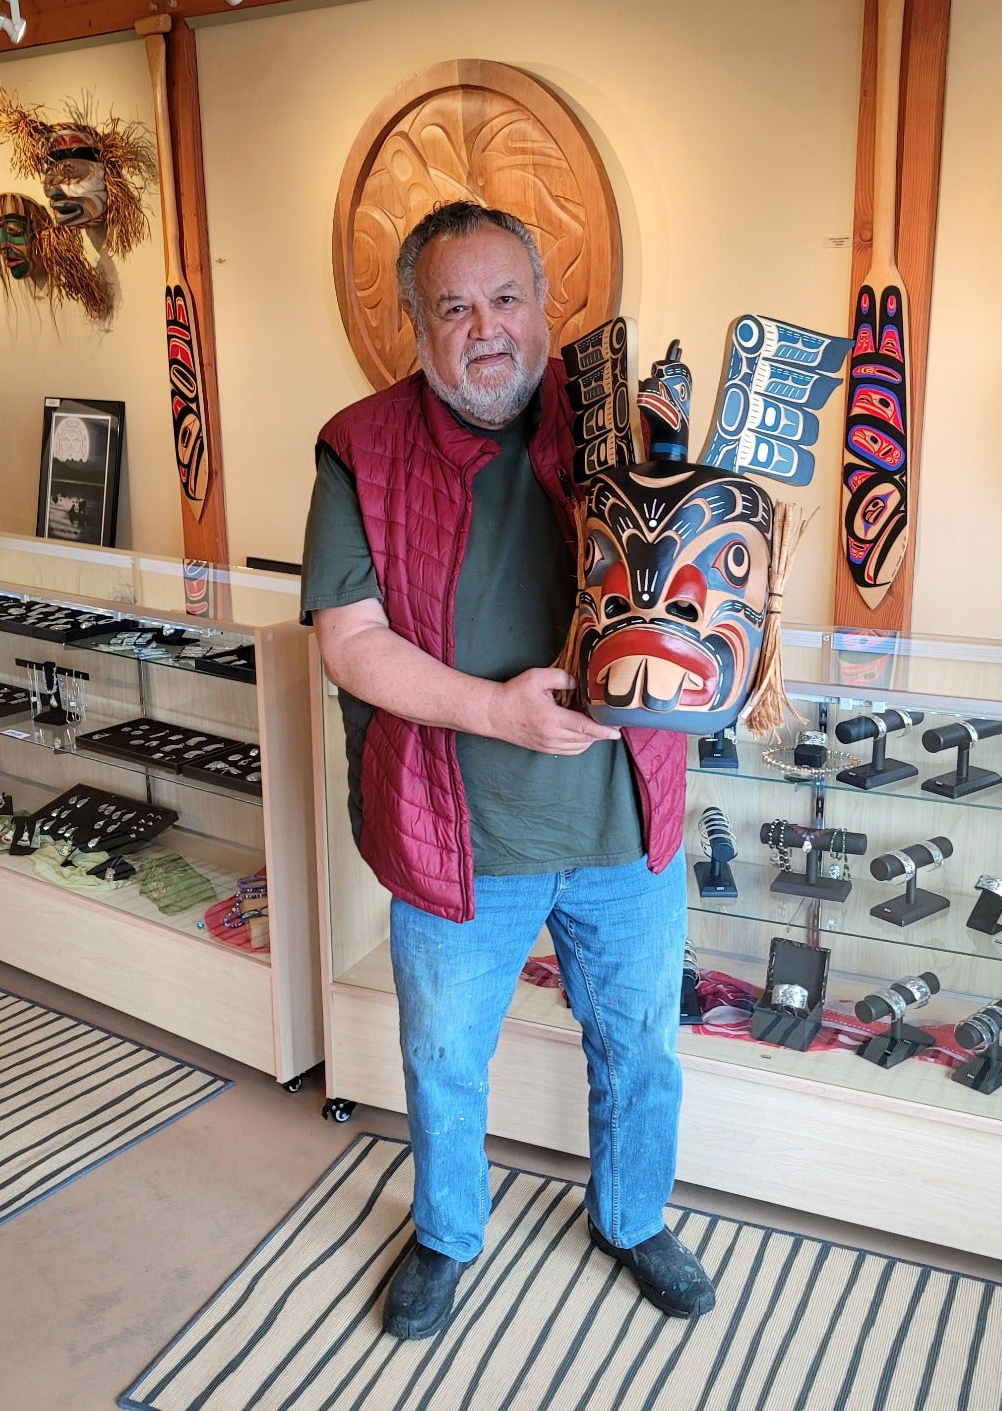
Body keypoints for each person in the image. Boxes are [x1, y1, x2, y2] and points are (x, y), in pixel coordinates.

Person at [301, 200, 714, 1340]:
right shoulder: (361, 446)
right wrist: (495, 710)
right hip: (460, 835)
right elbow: (350, 642)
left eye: (505, 298)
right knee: (443, 1056)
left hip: (624, 823)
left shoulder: (622, 423)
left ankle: (633, 1219)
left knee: (640, 1048)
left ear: (545, 307)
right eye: (454, 306)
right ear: (416, 324)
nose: (485, 328)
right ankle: (446, 1233)